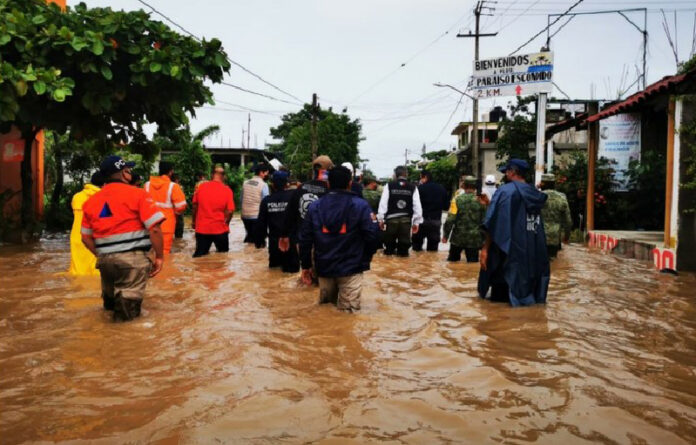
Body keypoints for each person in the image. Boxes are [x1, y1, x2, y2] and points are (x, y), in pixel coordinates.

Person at [80, 155, 165, 321]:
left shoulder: (91, 202)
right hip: (132, 261)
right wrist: (160, 257)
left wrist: (102, 255)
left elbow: (85, 237)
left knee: (109, 310)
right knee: (127, 318)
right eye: (129, 170)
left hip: (105, 262)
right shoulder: (139, 195)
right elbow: (154, 228)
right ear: (125, 173)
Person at [299, 166, 380, 312]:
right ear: (350, 183)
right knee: (348, 316)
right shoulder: (361, 206)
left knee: (325, 312)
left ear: (328, 184)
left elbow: (305, 239)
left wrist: (306, 266)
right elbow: (373, 236)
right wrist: (365, 258)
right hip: (352, 267)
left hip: (324, 267)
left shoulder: (314, 206)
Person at [478, 159, 550, 307]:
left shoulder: (505, 191)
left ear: (513, 172)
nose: (505, 175)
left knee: (498, 310)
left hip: (505, 256)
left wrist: (485, 249)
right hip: (530, 257)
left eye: (506, 171)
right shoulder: (535, 194)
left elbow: (493, 222)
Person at [279, 155, 333, 252]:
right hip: (325, 241)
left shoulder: (302, 187)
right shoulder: (331, 190)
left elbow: (290, 213)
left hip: (303, 240)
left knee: (305, 267)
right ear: (330, 170)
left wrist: (284, 235)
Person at [255, 171, 299, 273]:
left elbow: (261, 224)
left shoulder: (266, 201)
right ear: (286, 184)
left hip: (274, 245)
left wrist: (259, 241)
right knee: (291, 275)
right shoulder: (293, 197)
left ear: (273, 184)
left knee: (274, 274)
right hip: (291, 244)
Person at [377, 165, 423, 256]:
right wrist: (416, 222)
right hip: (406, 221)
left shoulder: (389, 186)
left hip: (391, 220)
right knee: (404, 250)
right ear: (406, 174)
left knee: (389, 249)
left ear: (395, 175)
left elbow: (383, 203)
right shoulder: (413, 187)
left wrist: (380, 219)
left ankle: (389, 268)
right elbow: (417, 206)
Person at [192, 166, 235, 257]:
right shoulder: (227, 190)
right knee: (223, 257)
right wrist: (227, 223)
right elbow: (230, 211)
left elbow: (195, 206)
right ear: (224, 177)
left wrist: (193, 221)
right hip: (220, 229)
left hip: (202, 229)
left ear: (211, 175)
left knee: (199, 258)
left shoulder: (201, 187)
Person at [144, 161, 187, 254]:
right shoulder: (173, 186)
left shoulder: (147, 184)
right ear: (171, 172)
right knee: (164, 253)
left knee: (149, 252)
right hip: (166, 225)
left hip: (149, 224)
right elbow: (181, 206)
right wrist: (175, 212)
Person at [442, 176, 487, 262]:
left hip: (457, 238)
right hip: (474, 239)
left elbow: (450, 220)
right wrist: (484, 239)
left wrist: (445, 236)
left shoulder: (456, 200)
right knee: (472, 265)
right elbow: (485, 220)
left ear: (464, 186)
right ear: (475, 187)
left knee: (452, 263)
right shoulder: (482, 201)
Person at [68, 171, 105, 276]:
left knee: (78, 271)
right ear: (104, 184)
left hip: (77, 238)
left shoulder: (77, 196)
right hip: (93, 238)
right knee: (95, 274)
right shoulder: (102, 198)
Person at [412, 170, 448, 252]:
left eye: (420, 177)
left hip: (421, 222)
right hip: (435, 222)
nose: (420, 180)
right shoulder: (441, 189)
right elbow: (446, 207)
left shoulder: (419, 189)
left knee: (416, 248)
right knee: (433, 250)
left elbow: (414, 206)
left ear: (425, 177)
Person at [539, 173, 572, 258]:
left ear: (542, 183)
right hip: (555, 238)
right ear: (554, 184)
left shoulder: (537, 196)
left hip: (539, 237)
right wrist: (566, 236)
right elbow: (568, 221)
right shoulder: (562, 197)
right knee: (553, 262)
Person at [241, 163, 270, 244]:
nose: (267, 175)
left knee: (250, 239)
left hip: (245, 216)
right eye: (266, 173)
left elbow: (241, 199)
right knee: (259, 244)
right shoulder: (264, 185)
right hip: (257, 217)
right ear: (261, 173)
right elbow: (265, 203)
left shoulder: (245, 183)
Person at [172, 174, 185, 239]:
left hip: (170, 210)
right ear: (177, 180)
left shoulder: (168, 186)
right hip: (178, 209)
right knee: (179, 225)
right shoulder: (179, 187)